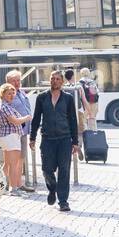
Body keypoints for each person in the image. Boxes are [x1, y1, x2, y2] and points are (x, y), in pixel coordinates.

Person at [30, 70, 80, 212]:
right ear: (49, 80)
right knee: (47, 169)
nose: (55, 81)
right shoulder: (42, 97)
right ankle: (52, 188)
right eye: (53, 78)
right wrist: (32, 137)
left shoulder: (68, 98)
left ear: (62, 82)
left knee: (64, 170)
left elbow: (72, 120)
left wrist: (75, 142)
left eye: (58, 79)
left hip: (64, 139)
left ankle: (63, 201)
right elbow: (36, 118)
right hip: (47, 139)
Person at [0, 83, 31, 195]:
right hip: (10, 136)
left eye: (12, 93)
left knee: (7, 164)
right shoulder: (5, 106)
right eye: (8, 94)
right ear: (3, 94)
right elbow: (14, 121)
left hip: (8, 136)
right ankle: (13, 188)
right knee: (13, 165)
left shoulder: (3, 105)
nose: (11, 96)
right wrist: (26, 117)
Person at [4, 70, 35, 192]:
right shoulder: (6, 95)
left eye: (18, 80)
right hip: (13, 131)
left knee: (21, 158)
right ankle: (7, 184)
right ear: (8, 82)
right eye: (14, 81)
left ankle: (18, 183)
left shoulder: (21, 93)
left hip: (24, 130)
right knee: (11, 160)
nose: (17, 83)